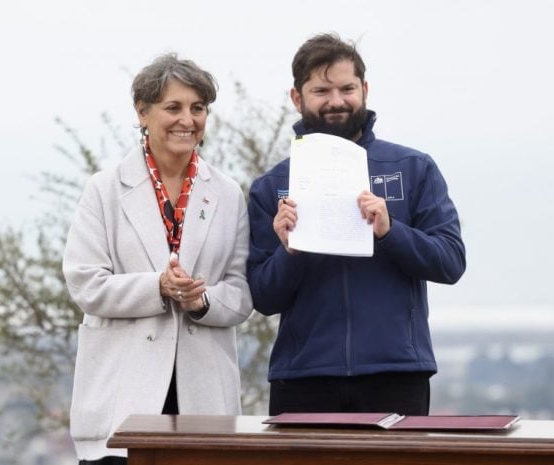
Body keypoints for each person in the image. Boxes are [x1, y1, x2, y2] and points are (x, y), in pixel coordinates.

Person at [247, 33, 466, 416]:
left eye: (347, 88)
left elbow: (450, 262)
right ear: (297, 98)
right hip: (302, 379)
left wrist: (389, 231)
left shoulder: (413, 168)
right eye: (321, 90)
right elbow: (263, 298)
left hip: (396, 374)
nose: (336, 101)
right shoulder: (271, 188)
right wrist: (290, 250)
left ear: (364, 89)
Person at [62, 53, 253, 464]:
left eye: (198, 108)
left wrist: (201, 302)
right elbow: (85, 284)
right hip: (121, 399)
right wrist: (157, 287)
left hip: (203, 406)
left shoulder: (228, 193)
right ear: (142, 112)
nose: (188, 119)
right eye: (173, 107)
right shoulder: (104, 190)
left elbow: (241, 293)